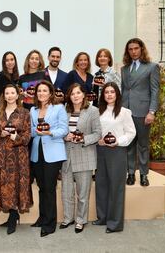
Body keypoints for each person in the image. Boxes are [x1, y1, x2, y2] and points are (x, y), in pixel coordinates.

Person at [94, 82, 136, 233]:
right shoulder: (97, 111)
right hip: (101, 151)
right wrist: (97, 139)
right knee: (101, 184)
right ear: (103, 95)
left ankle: (115, 223)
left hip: (117, 151)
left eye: (112, 92)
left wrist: (118, 141)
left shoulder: (124, 112)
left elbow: (131, 132)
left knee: (116, 187)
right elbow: (96, 130)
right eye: (106, 92)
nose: (109, 95)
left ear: (117, 94)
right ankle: (103, 217)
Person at [60, 83, 101, 233]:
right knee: (66, 192)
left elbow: (97, 133)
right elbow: (60, 130)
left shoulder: (93, 111)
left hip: (85, 154)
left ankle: (81, 220)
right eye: (72, 94)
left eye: (78, 93)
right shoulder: (65, 110)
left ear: (84, 94)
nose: (75, 96)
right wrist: (65, 136)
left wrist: (83, 139)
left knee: (82, 193)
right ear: (69, 96)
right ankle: (68, 218)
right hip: (67, 156)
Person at [29, 80, 68, 237]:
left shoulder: (58, 108)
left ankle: (50, 224)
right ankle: (42, 217)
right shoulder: (33, 110)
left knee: (50, 189)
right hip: (37, 152)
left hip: (53, 152)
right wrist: (37, 132)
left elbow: (64, 129)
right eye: (39, 91)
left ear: (51, 93)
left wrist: (50, 132)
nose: (41, 93)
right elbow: (31, 130)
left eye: (45, 90)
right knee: (42, 187)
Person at [0, 84, 32, 235]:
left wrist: (17, 137)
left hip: (17, 154)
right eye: (6, 93)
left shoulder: (24, 113)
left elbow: (28, 137)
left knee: (16, 183)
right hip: (1, 153)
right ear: (4, 95)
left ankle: (14, 216)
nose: (9, 95)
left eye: (12, 93)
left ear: (17, 95)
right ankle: (11, 215)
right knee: (4, 184)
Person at [121, 38, 160, 187]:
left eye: (136, 48)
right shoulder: (124, 69)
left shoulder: (151, 67)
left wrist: (152, 111)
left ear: (141, 49)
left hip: (143, 112)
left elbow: (155, 91)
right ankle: (131, 173)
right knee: (129, 144)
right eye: (130, 49)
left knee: (143, 145)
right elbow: (124, 90)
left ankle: (144, 174)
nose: (133, 52)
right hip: (126, 112)